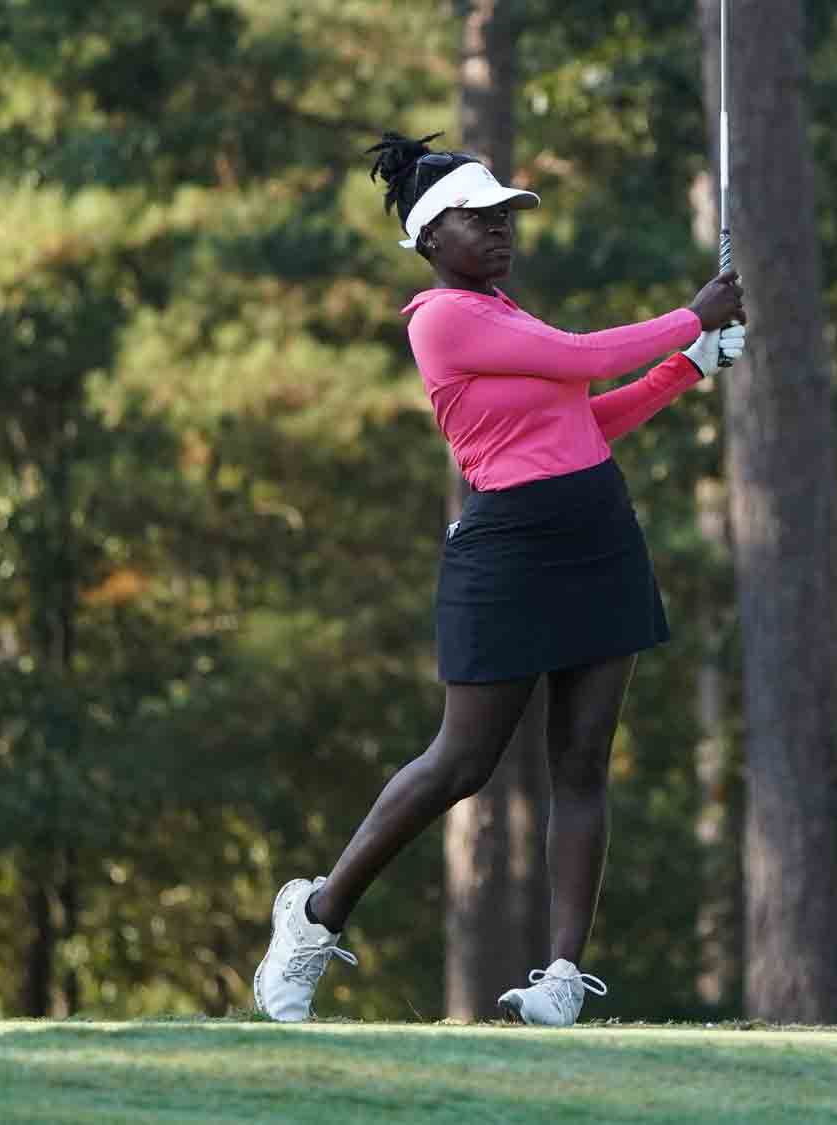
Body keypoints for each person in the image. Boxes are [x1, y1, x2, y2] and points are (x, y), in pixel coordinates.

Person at [252, 131, 746, 1027]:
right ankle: (316, 915)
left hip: (596, 532)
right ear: (433, 236)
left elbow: (587, 421)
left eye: (506, 217)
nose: (502, 230)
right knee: (463, 761)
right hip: (509, 547)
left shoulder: (510, 316)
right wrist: (692, 317)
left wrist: (687, 367)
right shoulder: (442, 317)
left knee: (583, 761)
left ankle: (561, 976)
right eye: (481, 219)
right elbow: (592, 355)